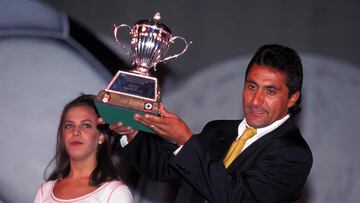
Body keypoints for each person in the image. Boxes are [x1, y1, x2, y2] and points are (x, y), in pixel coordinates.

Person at [106, 44, 313, 203]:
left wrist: (185, 141)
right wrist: (132, 132)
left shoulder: (293, 154)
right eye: (251, 86)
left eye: (270, 91)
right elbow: (163, 166)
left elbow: (235, 198)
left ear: (293, 98)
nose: (256, 100)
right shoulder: (218, 131)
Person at [33, 95, 134, 203]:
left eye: (86, 125)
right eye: (69, 126)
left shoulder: (115, 192)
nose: (75, 132)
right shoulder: (45, 191)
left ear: (101, 136)